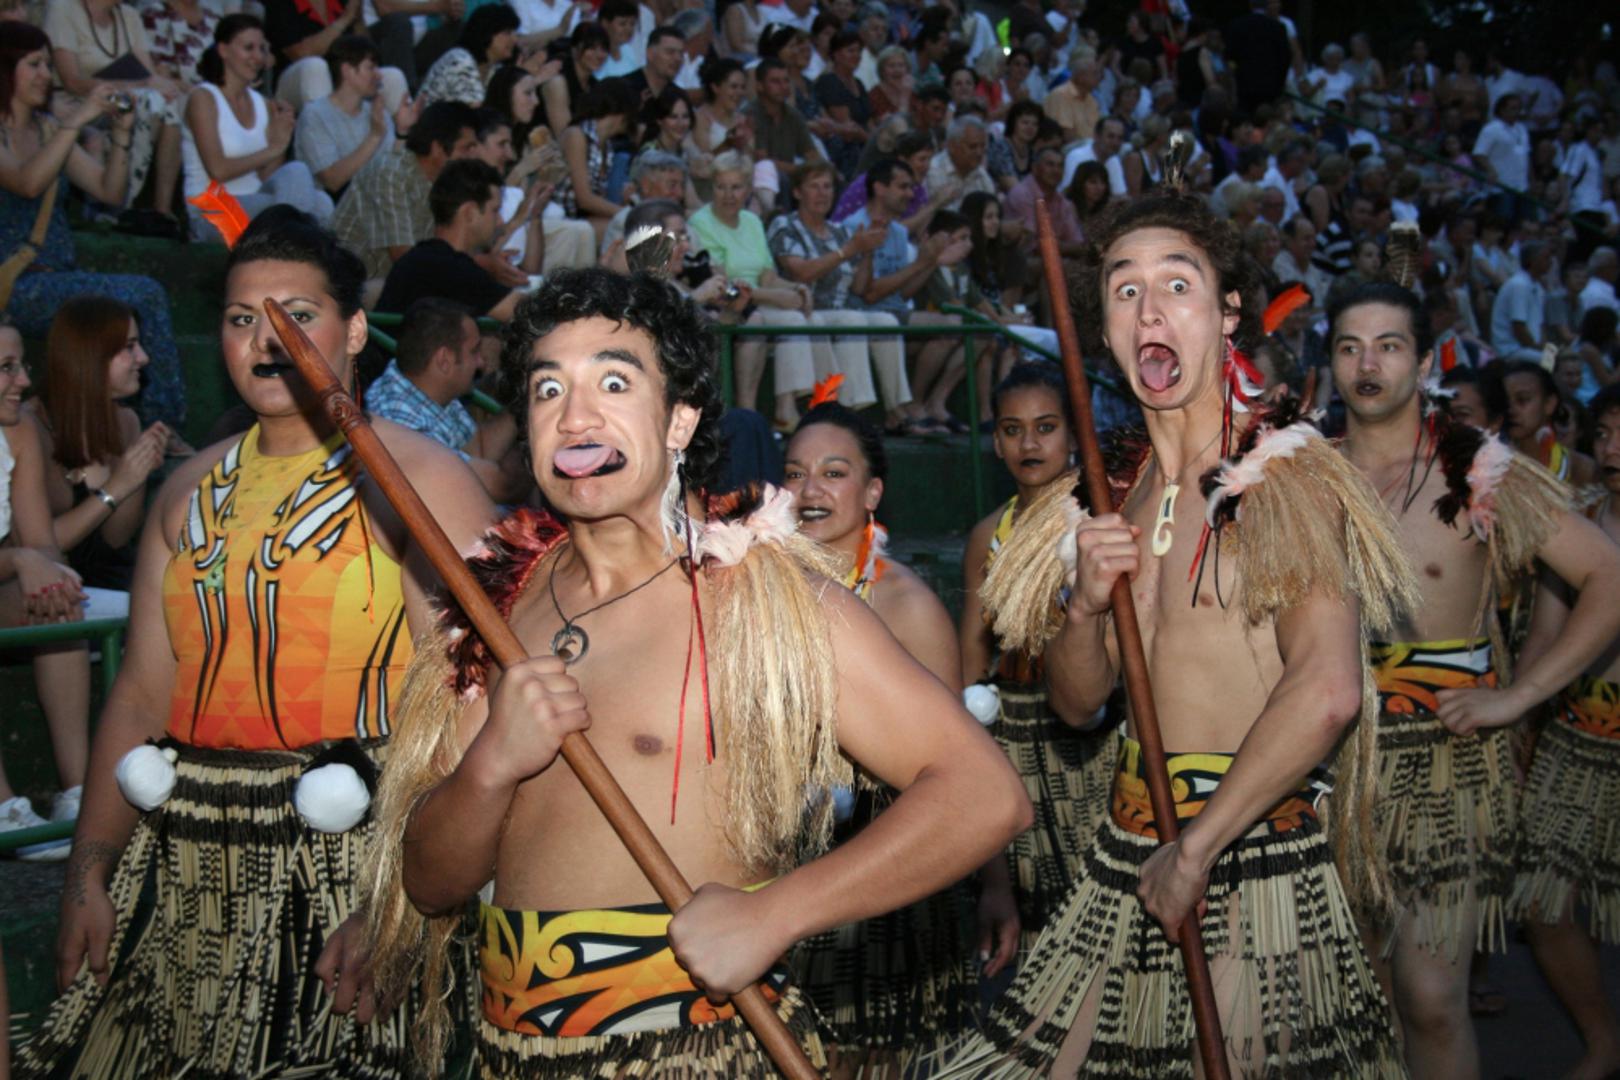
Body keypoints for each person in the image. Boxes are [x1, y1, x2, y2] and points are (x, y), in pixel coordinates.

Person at [360, 268, 1032, 1077]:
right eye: (548, 389)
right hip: (511, 1052)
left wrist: (777, 914)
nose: (575, 416)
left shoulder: (766, 604)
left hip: (698, 1050)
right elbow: (430, 885)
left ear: (679, 420)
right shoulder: (497, 607)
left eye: (614, 383)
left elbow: (983, 794)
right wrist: (491, 766)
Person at [937, 174, 1413, 1078]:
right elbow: (1080, 707)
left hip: (1247, 855)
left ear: (1228, 314)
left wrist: (1196, 848)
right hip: (1126, 847)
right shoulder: (1115, 496)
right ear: (1106, 328)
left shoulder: (1285, 477)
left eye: (1177, 284)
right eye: (1125, 289)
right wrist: (1084, 608)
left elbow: (1327, 688)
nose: (1149, 308)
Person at [14, 210, 497, 1079]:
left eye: (296, 315)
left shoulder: (420, 478)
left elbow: (464, 704)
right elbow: (141, 694)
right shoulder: (187, 489)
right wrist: (90, 873)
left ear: (355, 331)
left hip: (353, 855)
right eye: (243, 319)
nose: (267, 340)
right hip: (184, 859)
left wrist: (397, 902)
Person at [1330, 281, 1620, 1080]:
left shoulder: (1477, 472)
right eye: (1350, 347)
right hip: (1336, 764)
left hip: (1447, 765)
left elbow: (1608, 576)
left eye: (1389, 346)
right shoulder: (1307, 477)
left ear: (1424, 364)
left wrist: (1519, 696)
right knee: (1363, 993)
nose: (1368, 364)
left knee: (1430, 997)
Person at [782, 400, 987, 1072]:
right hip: (778, 869)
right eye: (795, 473)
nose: (811, 489)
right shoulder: (761, 589)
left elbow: (964, 779)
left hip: (883, 878)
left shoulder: (907, 606)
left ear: (871, 492)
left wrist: (994, 887)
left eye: (833, 472)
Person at [959, 362, 1120, 953]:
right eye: (1012, 429)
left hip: (1093, 744)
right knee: (1028, 931)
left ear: (1075, 434)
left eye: (1046, 427)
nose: (1029, 443)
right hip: (1009, 740)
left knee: (1100, 921)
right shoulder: (989, 535)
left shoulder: (1103, 525)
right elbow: (970, 662)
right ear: (996, 442)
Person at [1510, 382, 1620, 1080]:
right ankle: (1603, 1041)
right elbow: (1545, 635)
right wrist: (1519, 716)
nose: (1612, 448)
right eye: (1604, 434)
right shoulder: (1580, 522)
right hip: (1577, 737)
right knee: (1542, 903)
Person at [0, 22, 184, 431]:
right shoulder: (37, 132)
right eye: (34, 64)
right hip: (13, 286)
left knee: (142, 294)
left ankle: (154, 426)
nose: (46, 75)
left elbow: (108, 190)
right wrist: (80, 117)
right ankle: (165, 425)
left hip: (58, 279)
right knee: (145, 293)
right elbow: (27, 183)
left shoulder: (49, 130)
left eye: (48, 65)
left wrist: (121, 135)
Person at [0, 321, 94, 861]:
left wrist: (40, 566)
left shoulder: (18, 433)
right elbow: (26, 553)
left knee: (59, 601)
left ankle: (76, 793)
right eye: (6, 369)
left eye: (21, 365)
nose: (23, 382)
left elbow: (42, 544)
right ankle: (3, 807)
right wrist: (19, 559)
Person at [27, 296, 168, 597]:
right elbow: (38, 545)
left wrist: (136, 475)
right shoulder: (31, 427)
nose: (143, 358)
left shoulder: (126, 421)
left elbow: (116, 541)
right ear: (92, 354)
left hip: (109, 588)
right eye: (130, 346)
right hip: (49, 593)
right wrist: (116, 487)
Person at [767, 161, 915, 432]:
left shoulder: (841, 231)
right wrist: (848, 251)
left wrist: (867, 251)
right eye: (814, 186)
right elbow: (801, 273)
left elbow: (858, 288)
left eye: (827, 187)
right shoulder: (784, 225)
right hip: (802, 308)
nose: (822, 193)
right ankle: (850, 408)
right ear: (798, 192)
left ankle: (895, 409)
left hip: (840, 309)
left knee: (886, 321)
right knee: (851, 319)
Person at [688, 151, 816, 429]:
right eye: (721, 187)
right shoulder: (700, 222)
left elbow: (767, 276)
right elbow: (722, 284)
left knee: (801, 318)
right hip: (726, 303)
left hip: (758, 299)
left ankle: (786, 409)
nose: (728, 195)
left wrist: (795, 288)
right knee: (777, 318)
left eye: (736, 187)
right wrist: (781, 298)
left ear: (748, 190)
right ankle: (749, 411)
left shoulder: (752, 221)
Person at [845, 156, 973, 432]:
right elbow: (870, 294)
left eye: (911, 187)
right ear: (879, 188)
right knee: (952, 326)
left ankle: (927, 403)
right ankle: (911, 406)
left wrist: (931, 261)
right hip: (867, 314)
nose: (910, 194)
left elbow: (902, 293)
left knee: (975, 331)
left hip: (896, 312)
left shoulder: (898, 232)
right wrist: (922, 262)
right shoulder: (855, 227)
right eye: (903, 187)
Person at [181, 15, 334, 242]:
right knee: (296, 184)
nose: (257, 57)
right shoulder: (203, 97)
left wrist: (280, 136)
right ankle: (290, 252)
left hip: (255, 201)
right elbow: (218, 170)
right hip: (211, 212)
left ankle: (289, 249)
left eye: (262, 49)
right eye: (248, 48)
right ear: (223, 50)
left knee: (321, 201)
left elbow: (268, 177)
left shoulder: (263, 104)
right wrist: (273, 148)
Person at [365, 296, 527, 500]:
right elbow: (501, 486)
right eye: (474, 352)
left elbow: (479, 448)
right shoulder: (402, 422)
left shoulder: (423, 388)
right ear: (444, 361)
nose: (481, 363)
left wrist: (527, 402)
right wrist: (539, 432)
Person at [42, 0, 180, 208]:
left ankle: (161, 208)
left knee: (168, 103)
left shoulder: (129, 15)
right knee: (147, 102)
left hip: (120, 99)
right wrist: (135, 85)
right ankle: (124, 202)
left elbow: (150, 77)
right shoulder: (63, 8)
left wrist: (170, 88)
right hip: (79, 102)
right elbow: (72, 82)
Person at [332, 99, 479, 281]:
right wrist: (480, 265)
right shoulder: (390, 173)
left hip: (390, 285)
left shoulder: (448, 184)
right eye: (467, 148)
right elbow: (405, 259)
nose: (474, 156)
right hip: (346, 286)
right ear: (438, 148)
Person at [376, 158, 528, 319]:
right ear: (470, 213)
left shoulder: (425, 259)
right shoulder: (450, 268)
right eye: (495, 210)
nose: (500, 221)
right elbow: (528, 315)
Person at [295, 34, 397, 197]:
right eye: (371, 67)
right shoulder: (315, 115)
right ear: (347, 71)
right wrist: (374, 136)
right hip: (331, 206)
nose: (379, 75)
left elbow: (391, 170)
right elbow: (332, 181)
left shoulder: (380, 114)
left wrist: (403, 132)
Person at [557, 78, 636, 240]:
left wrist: (624, 201)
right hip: (562, 219)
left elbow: (597, 200)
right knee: (627, 231)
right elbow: (584, 199)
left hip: (583, 219)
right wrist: (629, 214)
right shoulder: (576, 135)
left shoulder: (607, 147)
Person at [1502, 360, 1599, 487]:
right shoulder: (1493, 465)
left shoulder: (1581, 468)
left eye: (1522, 400)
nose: (1511, 410)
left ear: (1549, 404)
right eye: (1505, 401)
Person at [416, 2, 518, 107]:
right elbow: (477, 112)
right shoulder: (459, 62)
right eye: (507, 33)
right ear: (487, 33)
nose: (514, 39)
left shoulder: (494, 68)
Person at [813, 30, 870, 180]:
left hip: (864, 142)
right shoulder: (830, 82)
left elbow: (869, 119)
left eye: (858, 51)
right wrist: (873, 141)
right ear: (836, 54)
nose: (856, 55)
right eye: (851, 51)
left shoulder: (859, 83)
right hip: (845, 149)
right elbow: (847, 129)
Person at [540, 19, 607, 136]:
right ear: (574, 49)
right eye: (591, 48)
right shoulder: (557, 81)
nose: (599, 55)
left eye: (603, 49)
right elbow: (565, 136)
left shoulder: (595, 85)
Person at [1490, 241, 1553, 363]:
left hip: (1532, 348)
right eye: (1546, 258)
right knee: (1555, 363)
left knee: (1567, 356)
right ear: (1532, 260)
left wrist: (1545, 348)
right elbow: (1519, 328)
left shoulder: (1538, 287)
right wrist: (1538, 350)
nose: (1550, 262)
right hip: (1511, 349)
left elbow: (1541, 325)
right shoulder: (1519, 285)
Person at [925, 114, 994, 211]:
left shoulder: (982, 175)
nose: (979, 153)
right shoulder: (933, 170)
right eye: (972, 147)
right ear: (952, 146)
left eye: (982, 146)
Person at [1042, 47, 1100, 145]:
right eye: (1095, 73)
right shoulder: (1061, 95)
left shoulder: (1091, 100)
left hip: (1089, 147)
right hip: (1067, 148)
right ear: (1081, 77)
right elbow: (1066, 135)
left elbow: (1097, 131)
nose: (1099, 77)